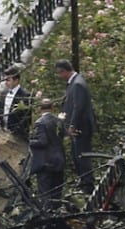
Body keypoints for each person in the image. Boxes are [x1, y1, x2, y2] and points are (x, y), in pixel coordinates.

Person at [55, 59, 97, 193]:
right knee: (76, 155)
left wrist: (72, 125)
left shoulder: (77, 84)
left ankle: (88, 184)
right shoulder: (74, 82)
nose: (59, 76)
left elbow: (78, 107)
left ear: (65, 71)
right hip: (78, 128)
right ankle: (83, 181)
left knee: (82, 156)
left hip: (81, 128)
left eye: (59, 73)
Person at [28, 98, 66, 203]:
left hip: (46, 162)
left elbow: (42, 141)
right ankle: (56, 212)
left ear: (40, 109)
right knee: (57, 191)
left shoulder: (40, 123)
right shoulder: (58, 121)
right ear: (52, 108)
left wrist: (29, 142)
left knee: (45, 192)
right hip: (59, 160)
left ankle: (46, 213)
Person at [0, 67, 31, 136]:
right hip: (2, 132)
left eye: (8, 80)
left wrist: (14, 132)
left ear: (16, 80)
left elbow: (26, 118)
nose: (5, 83)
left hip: (17, 134)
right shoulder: (4, 93)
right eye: (5, 80)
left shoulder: (25, 95)